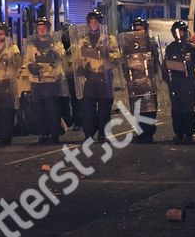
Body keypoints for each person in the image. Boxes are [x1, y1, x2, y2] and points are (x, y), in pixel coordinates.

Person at [75, 9, 120, 143]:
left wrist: (107, 55)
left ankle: (103, 133)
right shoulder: (83, 40)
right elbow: (77, 58)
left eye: (96, 21)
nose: (93, 24)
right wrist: (80, 67)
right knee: (88, 108)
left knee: (104, 109)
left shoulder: (109, 39)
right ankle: (88, 133)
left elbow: (117, 56)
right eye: (91, 22)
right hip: (90, 78)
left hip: (104, 77)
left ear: (100, 23)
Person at [23, 15, 66, 143]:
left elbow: (61, 57)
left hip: (51, 79)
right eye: (39, 28)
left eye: (44, 28)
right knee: (39, 109)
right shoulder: (32, 45)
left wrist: (55, 53)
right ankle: (44, 133)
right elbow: (27, 60)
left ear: (48, 29)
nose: (41, 30)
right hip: (37, 81)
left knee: (52, 109)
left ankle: (54, 133)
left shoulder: (55, 43)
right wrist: (30, 66)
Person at [121, 16, 160, 143]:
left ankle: (148, 133)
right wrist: (128, 76)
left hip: (147, 81)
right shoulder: (129, 44)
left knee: (149, 108)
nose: (138, 32)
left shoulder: (150, 43)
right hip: (135, 82)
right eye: (136, 30)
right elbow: (125, 61)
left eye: (141, 29)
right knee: (137, 108)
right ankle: (140, 132)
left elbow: (155, 61)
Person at [164, 20, 195, 143]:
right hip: (175, 82)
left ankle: (189, 133)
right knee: (176, 108)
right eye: (176, 31)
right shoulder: (171, 47)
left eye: (180, 31)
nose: (178, 34)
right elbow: (166, 64)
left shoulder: (191, 47)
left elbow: (192, 63)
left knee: (188, 108)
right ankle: (178, 133)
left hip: (187, 81)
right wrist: (168, 79)